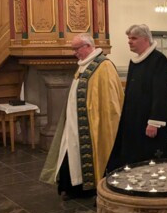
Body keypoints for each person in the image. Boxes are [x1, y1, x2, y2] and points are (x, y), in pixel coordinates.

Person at [40, 34, 124, 200]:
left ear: (87, 46)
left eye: (77, 48)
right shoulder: (84, 65)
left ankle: (92, 188)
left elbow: (110, 102)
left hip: (93, 124)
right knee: (71, 152)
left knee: (87, 154)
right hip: (74, 123)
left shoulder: (104, 66)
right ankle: (73, 188)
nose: (74, 53)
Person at [107, 24, 167, 171]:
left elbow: (161, 92)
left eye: (134, 38)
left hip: (151, 120)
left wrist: (154, 121)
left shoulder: (158, 60)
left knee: (152, 158)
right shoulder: (135, 62)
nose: (129, 41)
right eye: (128, 38)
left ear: (145, 39)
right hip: (134, 118)